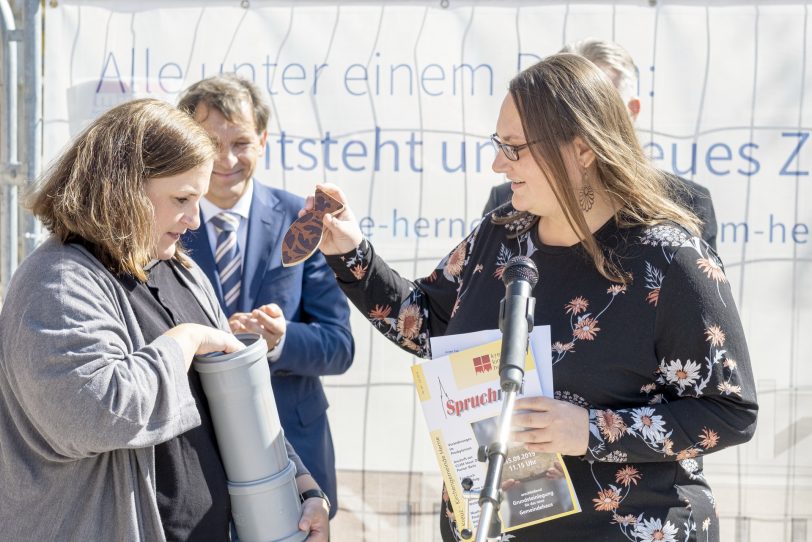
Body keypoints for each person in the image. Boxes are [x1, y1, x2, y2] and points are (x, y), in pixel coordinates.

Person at [307, 54, 757, 541]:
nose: (498, 163)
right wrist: (351, 252)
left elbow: (729, 410)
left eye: (515, 148)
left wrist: (589, 429)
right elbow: (427, 326)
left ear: (582, 149)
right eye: (499, 145)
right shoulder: (501, 234)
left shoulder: (668, 259)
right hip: (493, 524)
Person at [0, 98, 329, 541]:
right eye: (182, 198)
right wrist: (185, 341)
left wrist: (301, 485)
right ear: (124, 188)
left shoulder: (181, 270)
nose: (195, 219)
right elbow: (95, 412)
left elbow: (237, 404)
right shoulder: (55, 282)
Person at [178, 74, 354, 518]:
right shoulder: (165, 225)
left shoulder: (305, 219)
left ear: (263, 140)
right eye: (210, 143)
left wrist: (279, 341)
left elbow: (339, 345)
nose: (226, 159)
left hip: (292, 449)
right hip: (198, 451)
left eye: (240, 142)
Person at [482, 38, 719, 250]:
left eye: (600, 102)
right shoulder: (505, 209)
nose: (587, 119)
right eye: (571, 104)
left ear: (630, 110)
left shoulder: (683, 216)